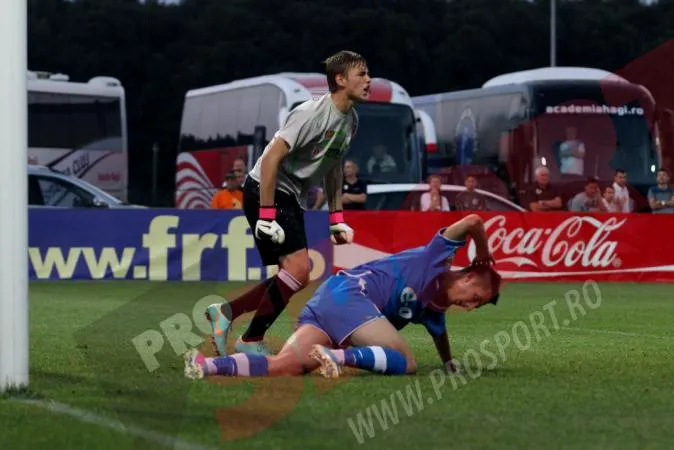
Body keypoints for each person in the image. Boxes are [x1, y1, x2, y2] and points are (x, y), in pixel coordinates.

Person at [183, 214, 500, 379]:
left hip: (330, 299)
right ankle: (336, 357)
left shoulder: (434, 310)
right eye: (477, 296)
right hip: (351, 296)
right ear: (470, 275)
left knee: (286, 367)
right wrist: (484, 257)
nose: (472, 306)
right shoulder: (437, 256)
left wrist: (449, 364)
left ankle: (207, 366)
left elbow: (440, 336)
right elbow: (473, 222)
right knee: (406, 362)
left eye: (478, 306)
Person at [204, 50, 371, 357]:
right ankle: (250, 339)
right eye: (361, 74)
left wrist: (336, 218)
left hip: (290, 195)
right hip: (266, 189)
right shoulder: (311, 113)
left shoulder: (351, 120)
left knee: (292, 274)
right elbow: (269, 159)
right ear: (340, 79)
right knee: (299, 268)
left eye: (367, 73)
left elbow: (332, 166)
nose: (368, 79)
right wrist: (267, 214)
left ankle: (226, 313)